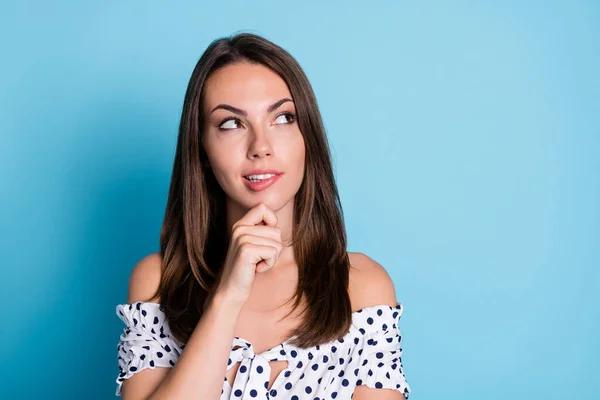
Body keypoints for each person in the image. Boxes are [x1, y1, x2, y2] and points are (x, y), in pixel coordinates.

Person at [115, 32, 412, 400]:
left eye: (283, 118)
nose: (261, 147)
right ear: (202, 148)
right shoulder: (160, 281)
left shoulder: (362, 287)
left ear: (309, 137)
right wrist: (227, 295)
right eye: (230, 124)